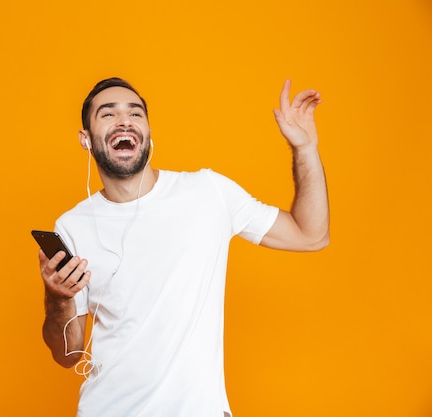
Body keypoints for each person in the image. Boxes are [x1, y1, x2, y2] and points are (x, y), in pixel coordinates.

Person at [37, 77, 329, 417]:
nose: (124, 121)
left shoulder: (208, 192)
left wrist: (305, 148)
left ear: (147, 132)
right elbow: (69, 355)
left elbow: (311, 235)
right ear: (86, 139)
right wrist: (57, 298)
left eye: (135, 113)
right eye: (108, 114)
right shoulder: (73, 227)